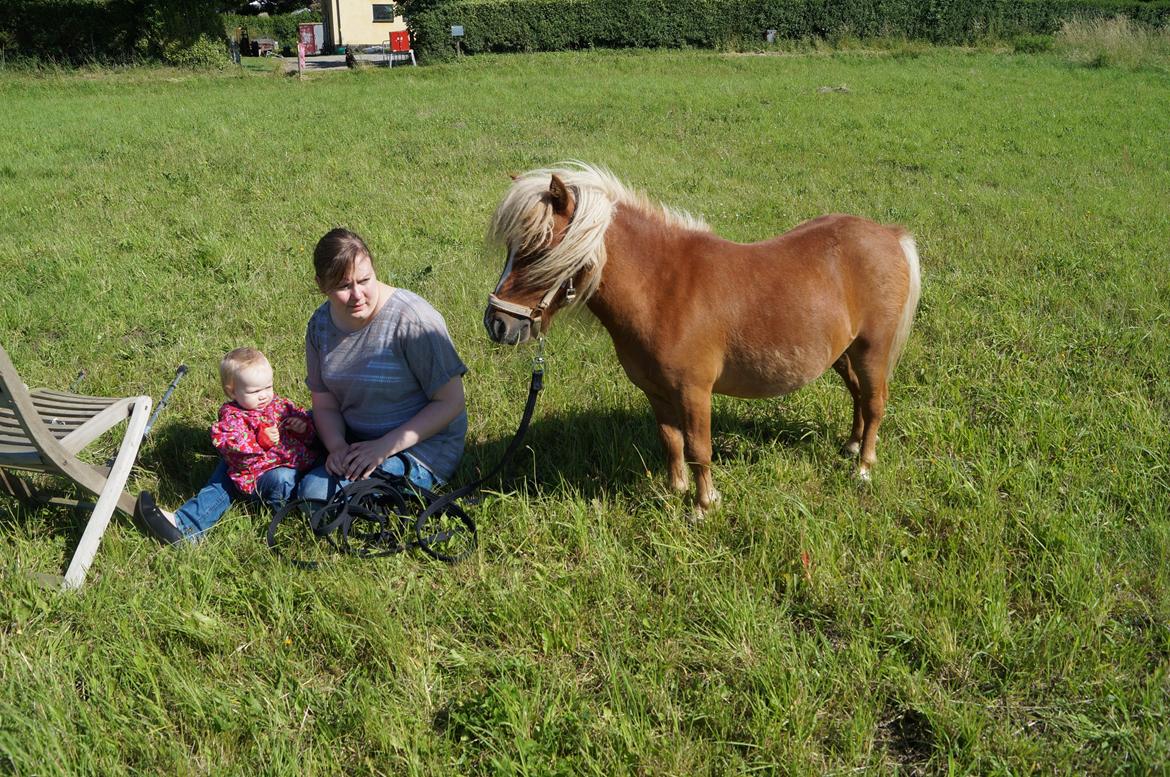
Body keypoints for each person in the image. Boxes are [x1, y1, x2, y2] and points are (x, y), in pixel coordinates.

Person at [296, 227, 467, 505]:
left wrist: (383, 448)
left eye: (365, 280)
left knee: (315, 494)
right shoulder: (320, 325)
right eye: (343, 286)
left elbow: (451, 402)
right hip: (356, 440)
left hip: (421, 448)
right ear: (320, 285)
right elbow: (324, 402)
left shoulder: (414, 320)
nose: (357, 295)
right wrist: (337, 447)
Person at [135, 347, 319, 543]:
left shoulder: (281, 406)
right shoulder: (232, 416)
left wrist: (303, 428)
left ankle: (187, 523)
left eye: (268, 387)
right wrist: (260, 440)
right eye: (255, 391)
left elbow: (313, 434)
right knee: (243, 478)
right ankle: (186, 525)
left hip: (302, 466)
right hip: (261, 478)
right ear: (232, 392)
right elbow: (233, 446)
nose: (264, 395)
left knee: (232, 475)